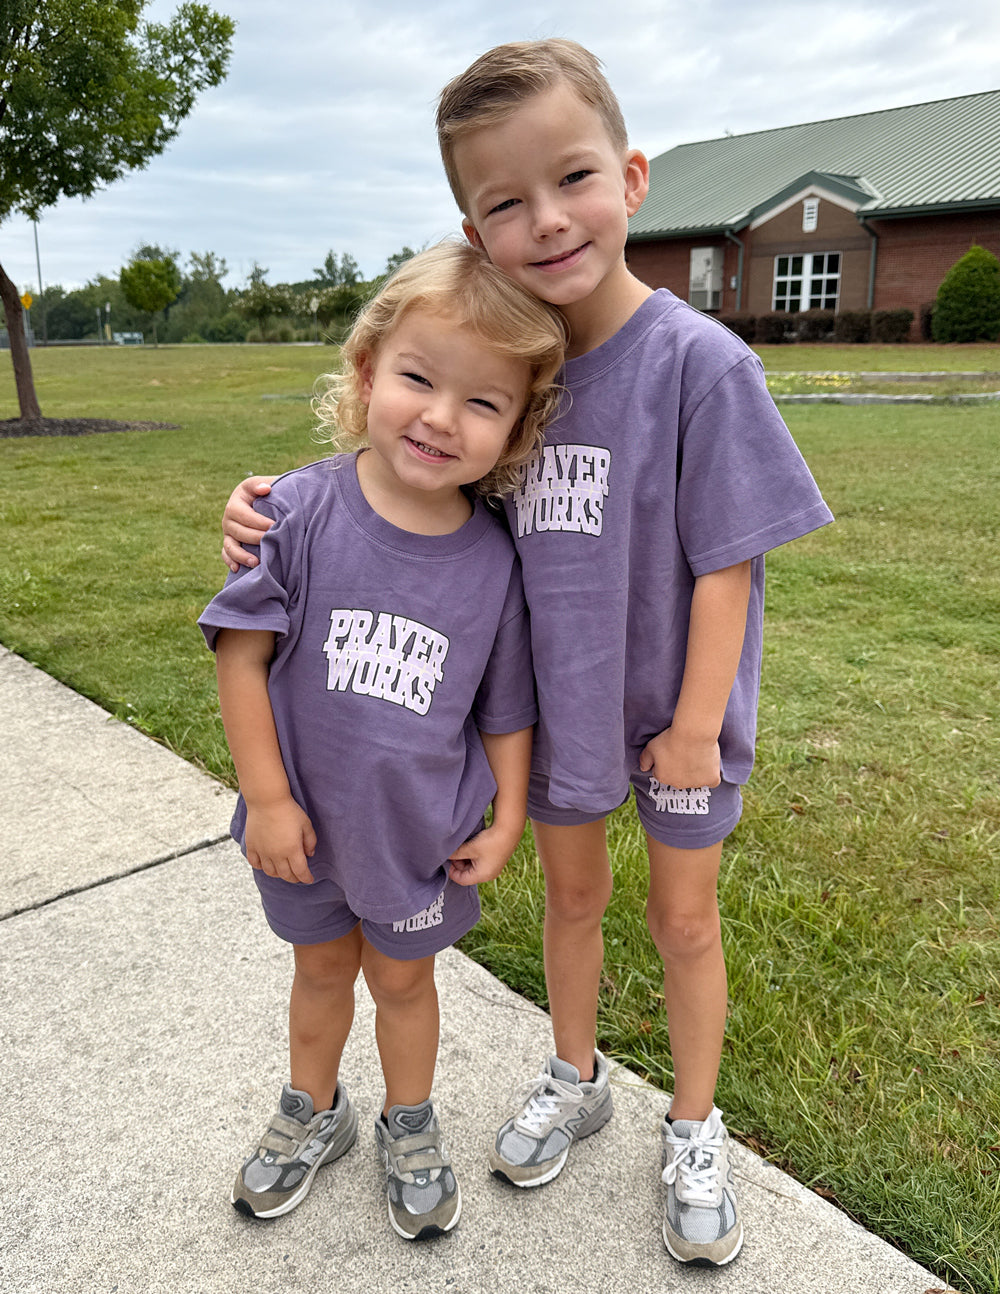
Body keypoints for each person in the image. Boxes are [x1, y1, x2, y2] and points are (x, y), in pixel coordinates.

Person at [220, 39, 833, 1267]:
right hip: (554, 712)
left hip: (676, 717)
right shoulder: (514, 367)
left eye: (572, 179)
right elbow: (413, 485)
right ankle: (574, 1073)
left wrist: (699, 721)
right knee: (570, 899)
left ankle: (694, 1127)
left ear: (633, 177)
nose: (547, 220)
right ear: (473, 223)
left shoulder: (698, 363)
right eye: (506, 201)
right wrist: (264, 511)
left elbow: (730, 562)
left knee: (682, 918)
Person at [200, 240, 566, 1241]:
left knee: (404, 981)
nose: (443, 417)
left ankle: (409, 1121)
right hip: (304, 828)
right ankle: (314, 1112)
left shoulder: (494, 562)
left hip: (415, 835)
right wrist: (267, 800)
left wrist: (509, 814)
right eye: (417, 378)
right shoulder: (300, 510)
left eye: (483, 402)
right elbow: (239, 657)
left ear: (515, 429)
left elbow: (504, 708)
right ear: (366, 375)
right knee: (320, 974)